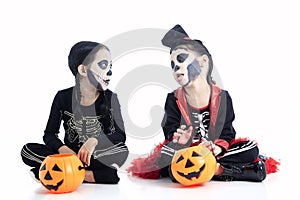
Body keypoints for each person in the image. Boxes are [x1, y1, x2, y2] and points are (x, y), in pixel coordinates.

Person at [127, 25, 279, 182]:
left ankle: (206, 167)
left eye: (180, 59)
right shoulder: (173, 98)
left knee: (250, 149)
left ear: (203, 61)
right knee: (164, 157)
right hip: (186, 151)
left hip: (213, 151)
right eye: (172, 65)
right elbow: (170, 129)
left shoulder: (222, 97)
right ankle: (225, 170)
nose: (176, 67)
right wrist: (180, 140)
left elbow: (227, 132)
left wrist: (217, 148)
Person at [21, 41, 129, 184]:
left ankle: (63, 172)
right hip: (67, 156)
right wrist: (62, 149)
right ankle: (88, 175)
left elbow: (119, 135)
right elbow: (50, 134)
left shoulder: (111, 98)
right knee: (27, 150)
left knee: (121, 151)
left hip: (95, 156)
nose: (109, 72)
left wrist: (94, 140)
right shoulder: (62, 97)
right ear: (83, 70)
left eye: (110, 66)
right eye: (103, 65)